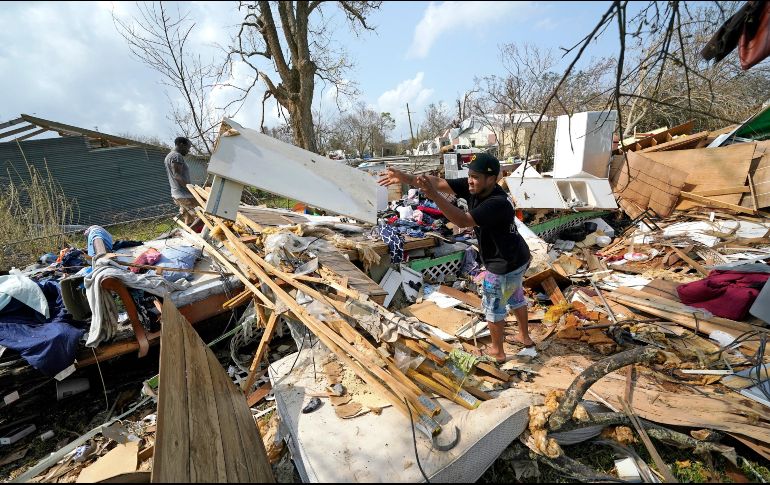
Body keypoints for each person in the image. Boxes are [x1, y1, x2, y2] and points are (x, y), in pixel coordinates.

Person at [378, 153, 532, 363]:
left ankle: (497, 351)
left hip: (503, 263)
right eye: (469, 175)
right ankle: (524, 337)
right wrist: (405, 177)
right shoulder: (474, 186)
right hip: (517, 256)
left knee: (493, 306)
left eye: (476, 177)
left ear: (492, 179)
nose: (470, 180)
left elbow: (463, 220)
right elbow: (438, 182)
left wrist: (434, 196)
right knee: (515, 297)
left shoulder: (496, 202)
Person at [165, 137, 197, 226]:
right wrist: (191, 188)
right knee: (200, 216)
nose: (188, 150)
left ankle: (191, 236)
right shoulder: (176, 156)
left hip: (178, 194)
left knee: (189, 219)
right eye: (188, 147)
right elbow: (177, 176)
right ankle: (195, 234)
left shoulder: (169, 156)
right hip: (184, 194)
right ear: (181, 145)